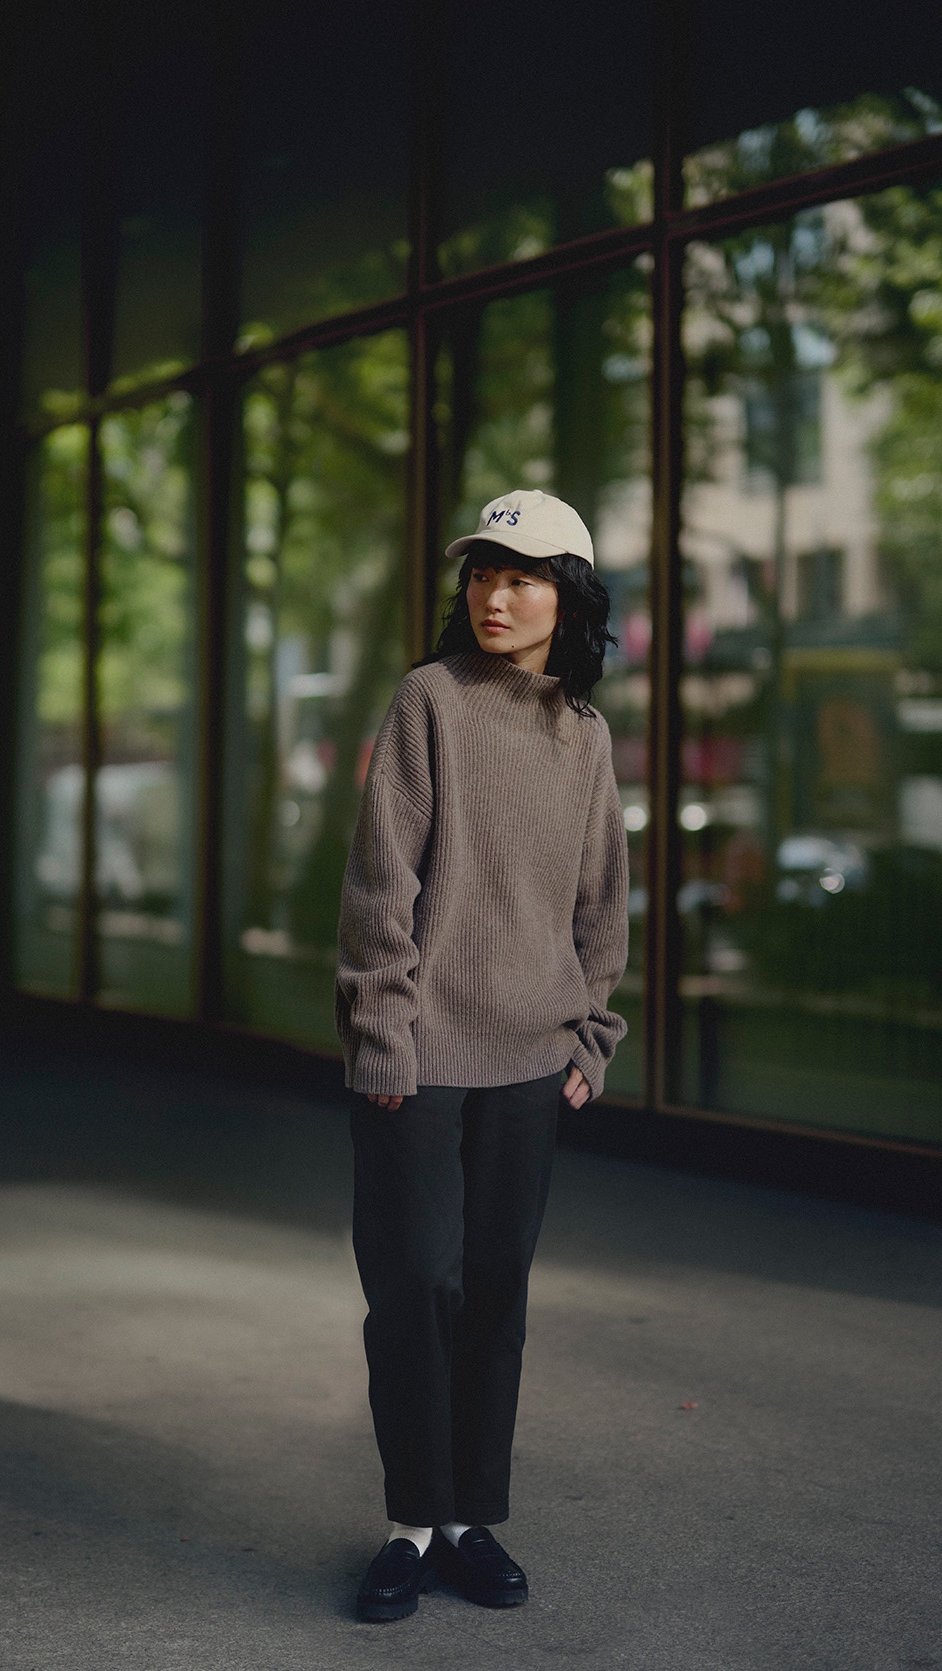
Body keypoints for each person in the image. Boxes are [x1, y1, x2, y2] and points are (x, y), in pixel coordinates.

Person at [335, 489, 630, 1623]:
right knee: (412, 1280)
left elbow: (601, 901)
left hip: (529, 1056)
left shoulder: (584, 734)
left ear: (569, 596)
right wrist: (381, 1032)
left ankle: (468, 1519)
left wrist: (589, 1034)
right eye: (480, 574)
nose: (493, 597)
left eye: (521, 577)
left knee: (494, 1292)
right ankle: (409, 1524)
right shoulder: (429, 701)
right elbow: (380, 889)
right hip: (415, 1050)